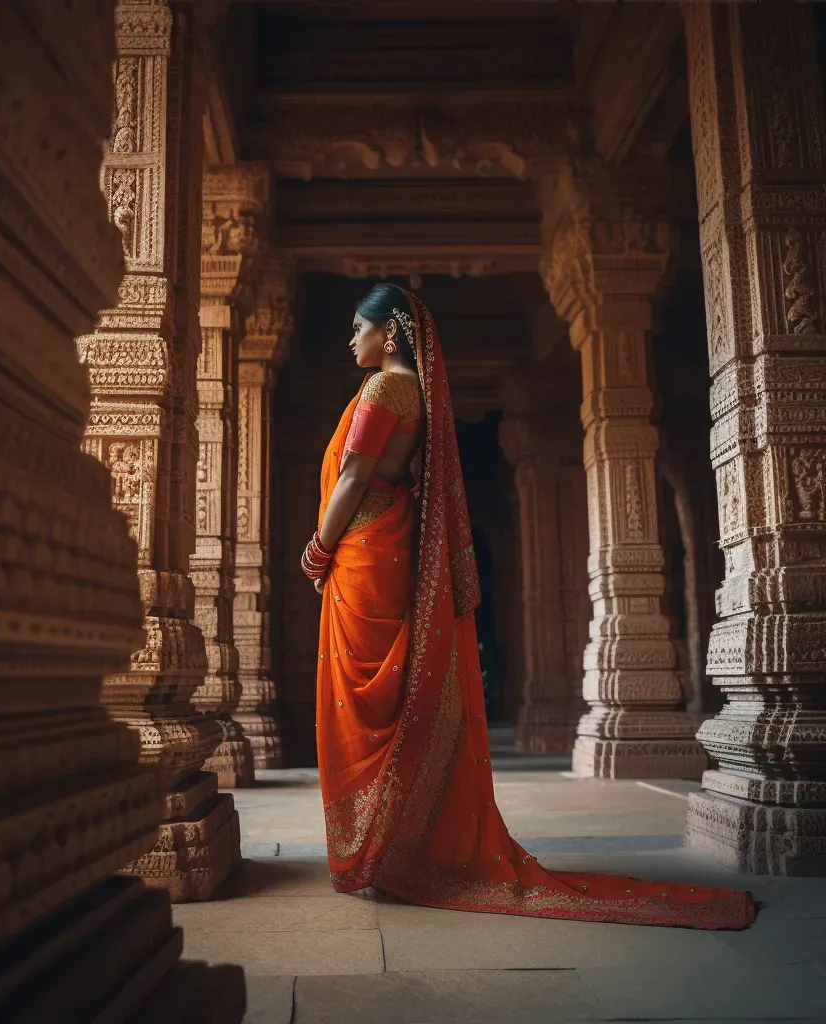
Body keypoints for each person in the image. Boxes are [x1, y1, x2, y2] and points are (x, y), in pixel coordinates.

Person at [300, 282, 755, 929]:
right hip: (383, 543)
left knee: (367, 698)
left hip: (364, 548)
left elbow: (351, 475)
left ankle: (375, 850)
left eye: (359, 328)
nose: (352, 340)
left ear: (392, 333)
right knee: (386, 700)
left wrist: (319, 548)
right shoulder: (411, 391)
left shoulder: (383, 388)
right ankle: (389, 847)